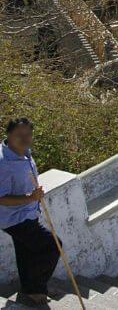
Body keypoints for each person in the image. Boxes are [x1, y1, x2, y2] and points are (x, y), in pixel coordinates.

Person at [0, 118, 60, 306]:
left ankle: (31, 292)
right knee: (53, 245)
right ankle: (37, 288)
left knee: (26, 253)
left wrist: (33, 198)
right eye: (20, 135)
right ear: (9, 135)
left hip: (28, 213)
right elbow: (1, 198)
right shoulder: (3, 163)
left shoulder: (24, 153)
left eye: (28, 134)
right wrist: (30, 198)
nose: (25, 139)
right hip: (13, 218)